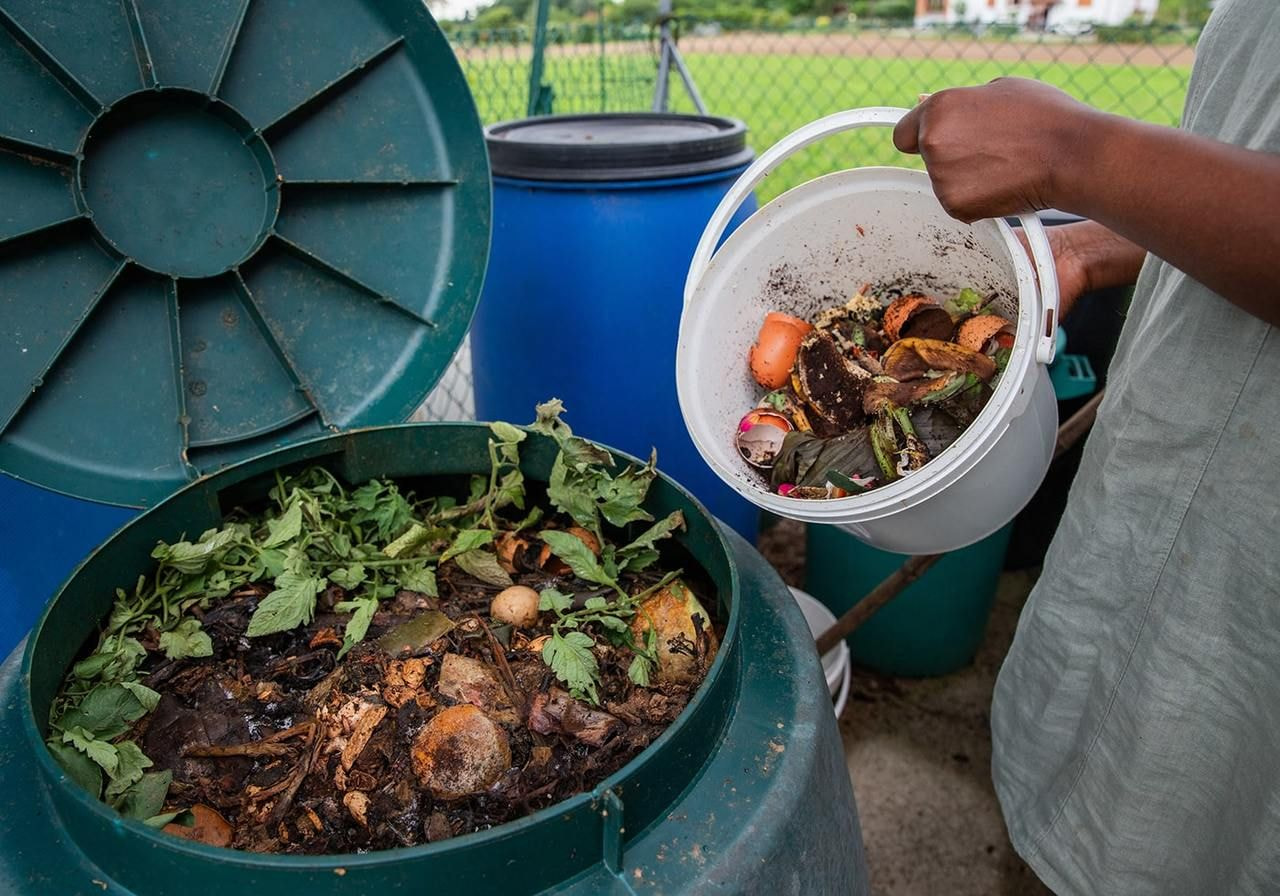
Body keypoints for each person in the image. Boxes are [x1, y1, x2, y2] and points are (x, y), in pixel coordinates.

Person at [891, 2, 1280, 894]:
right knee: (1090, 785)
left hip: (1253, 560)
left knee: (1203, 822)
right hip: (1168, 482)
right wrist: (1098, 244)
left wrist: (1077, 153)